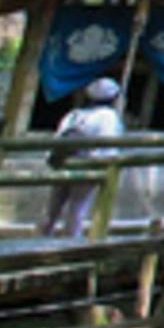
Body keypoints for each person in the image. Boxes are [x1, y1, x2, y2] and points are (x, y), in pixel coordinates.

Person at [42, 77, 129, 236]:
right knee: (78, 207)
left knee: (53, 207)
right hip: (87, 165)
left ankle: (42, 237)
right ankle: (71, 243)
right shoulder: (108, 117)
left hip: (64, 163)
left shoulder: (74, 114)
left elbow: (58, 139)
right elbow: (109, 147)